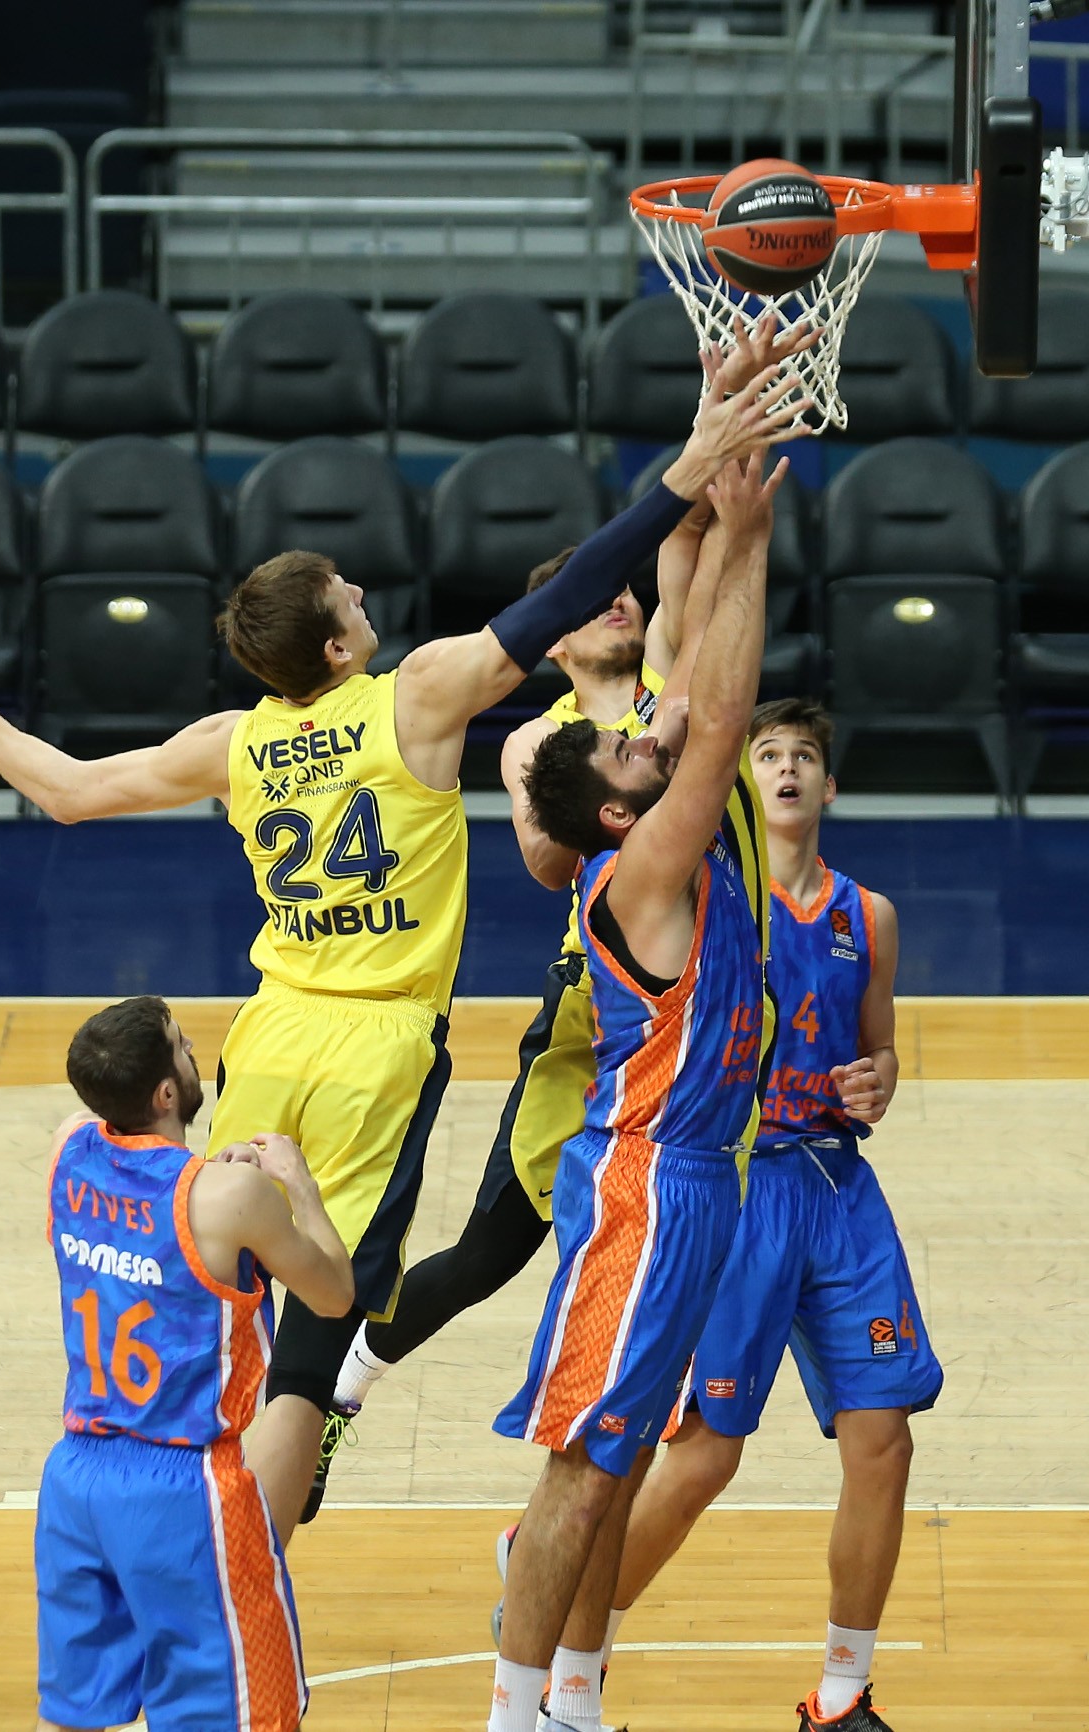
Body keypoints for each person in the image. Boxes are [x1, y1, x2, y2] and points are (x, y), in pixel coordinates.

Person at [0, 329, 803, 1542]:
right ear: (333, 645)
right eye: (346, 596)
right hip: (371, 1053)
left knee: (233, 1288)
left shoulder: (231, 741)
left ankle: (177, 1476)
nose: (364, 595)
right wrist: (682, 475)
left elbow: (64, 789)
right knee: (319, 1342)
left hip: (267, 1034)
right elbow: (560, 603)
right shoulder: (411, 700)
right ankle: (240, 1573)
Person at [317, 498, 719, 1507]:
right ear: (557, 638)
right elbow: (546, 862)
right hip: (591, 1020)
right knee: (490, 1252)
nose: (616, 605)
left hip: (698, 1009)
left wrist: (706, 471)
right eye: (592, 600)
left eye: (621, 592)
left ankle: (663, 1423)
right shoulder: (536, 739)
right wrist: (619, 781)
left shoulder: (668, 678)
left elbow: (680, 576)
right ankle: (342, 1387)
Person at [484, 448, 786, 1732]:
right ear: (616, 815)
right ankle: (509, 1714)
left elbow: (685, 673)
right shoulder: (644, 870)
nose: (640, 731)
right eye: (623, 748)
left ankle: (571, 1701)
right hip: (646, 1188)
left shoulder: (635, 816)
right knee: (578, 1468)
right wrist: (756, 528)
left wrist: (717, 513)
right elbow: (716, 719)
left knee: (614, 1467)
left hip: (702, 1182)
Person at [606, 699, 943, 1732]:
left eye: (803, 756)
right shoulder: (707, 900)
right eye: (767, 755)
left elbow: (879, 1046)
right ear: (742, 785)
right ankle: (570, 1614)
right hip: (739, 1187)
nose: (787, 769)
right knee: (705, 1453)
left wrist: (876, 1083)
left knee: (882, 1442)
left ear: (828, 787)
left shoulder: (867, 915)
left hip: (837, 1191)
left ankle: (841, 1695)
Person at [33, 997, 352, 1732]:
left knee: (73, 1716)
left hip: (77, 1480)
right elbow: (334, 1295)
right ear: (168, 1092)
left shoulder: (66, 1149)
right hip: (184, 1492)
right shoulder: (230, 1194)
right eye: (181, 1043)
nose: (191, 1046)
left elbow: (137, 1195)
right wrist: (295, 1184)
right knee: (245, 1716)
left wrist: (212, 1176)